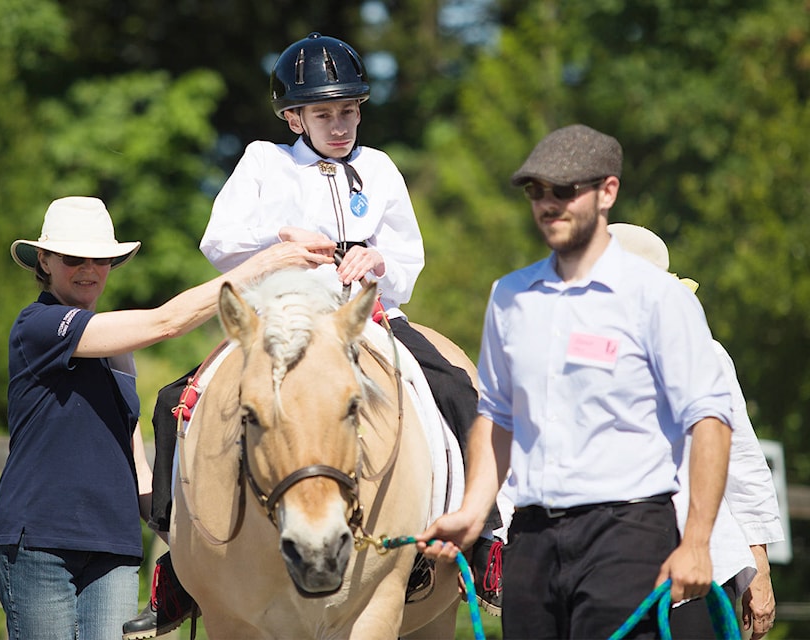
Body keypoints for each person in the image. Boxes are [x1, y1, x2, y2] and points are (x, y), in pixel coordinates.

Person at [125, 32, 488, 637]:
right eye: (324, 113)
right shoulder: (265, 163)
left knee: (457, 391)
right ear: (295, 116)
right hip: (280, 319)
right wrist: (285, 238)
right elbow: (218, 241)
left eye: (348, 111)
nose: (340, 124)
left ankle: (489, 544)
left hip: (363, 320)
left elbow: (408, 261)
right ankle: (180, 572)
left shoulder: (379, 169)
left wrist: (377, 263)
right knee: (173, 403)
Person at [416, 124, 735, 639]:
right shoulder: (510, 296)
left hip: (626, 535)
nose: (548, 203)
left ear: (607, 192)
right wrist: (474, 511)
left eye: (565, 190)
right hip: (532, 537)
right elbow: (497, 415)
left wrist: (697, 539)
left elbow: (710, 421)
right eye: (536, 192)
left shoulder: (656, 297)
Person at [0, 196, 332, 640]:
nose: (89, 269)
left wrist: (190, 540)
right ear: (45, 260)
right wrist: (262, 266)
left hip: (112, 543)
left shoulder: (116, 349)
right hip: (40, 539)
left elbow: (134, 459)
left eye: (102, 259)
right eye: (74, 258)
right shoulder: (38, 325)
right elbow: (165, 323)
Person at [608, 223, 782, 640]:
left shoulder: (703, 354)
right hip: (598, 567)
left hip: (698, 566)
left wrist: (758, 566)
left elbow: (741, 461)